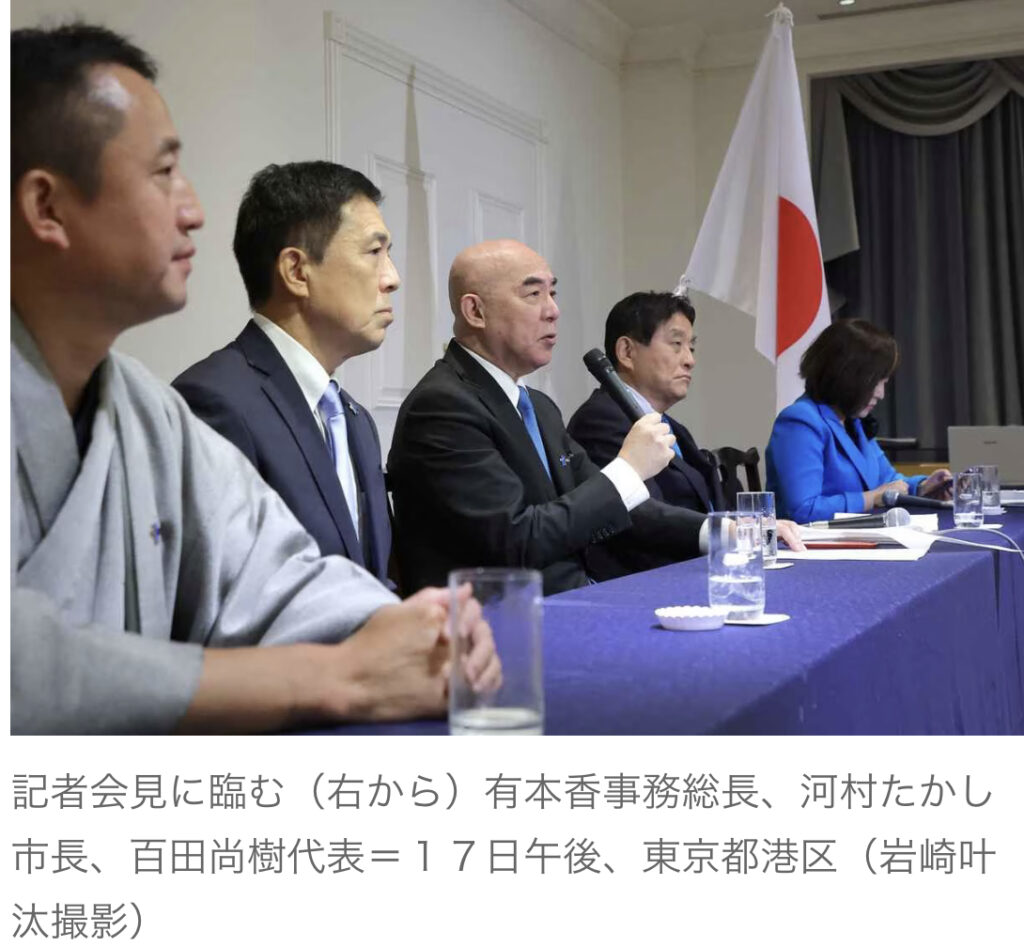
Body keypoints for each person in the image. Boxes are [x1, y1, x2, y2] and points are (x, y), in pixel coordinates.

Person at [11, 23, 498, 734]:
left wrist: (411, 631)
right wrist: (334, 676)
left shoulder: (145, 410)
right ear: (47, 207)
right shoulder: (212, 398)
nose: (194, 210)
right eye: (163, 172)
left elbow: (276, 571)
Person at [387, 239, 708, 596]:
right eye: (533, 294)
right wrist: (629, 469)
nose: (553, 310)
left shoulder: (539, 407)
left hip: (575, 600)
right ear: (475, 311)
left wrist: (720, 532)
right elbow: (517, 541)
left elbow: (619, 505)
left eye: (552, 293)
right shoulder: (442, 407)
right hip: (502, 619)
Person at [174, 162, 395, 585]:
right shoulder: (214, 403)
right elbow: (221, 592)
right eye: (374, 252)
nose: (392, 278)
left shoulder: (354, 419)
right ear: (296, 271)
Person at [766, 318, 952, 523]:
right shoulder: (800, 421)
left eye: (884, 382)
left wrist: (923, 487)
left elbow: (887, 480)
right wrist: (873, 498)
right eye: (875, 382)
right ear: (845, 376)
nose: (881, 394)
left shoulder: (853, 422)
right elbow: (804, 509)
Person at [568, 291, 722, 514]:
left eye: (691, 347)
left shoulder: (673, 427)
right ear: (627, 352)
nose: (690, 360)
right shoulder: (600, 421)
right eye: (676, 343)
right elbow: (644, 515)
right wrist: (717, 529)